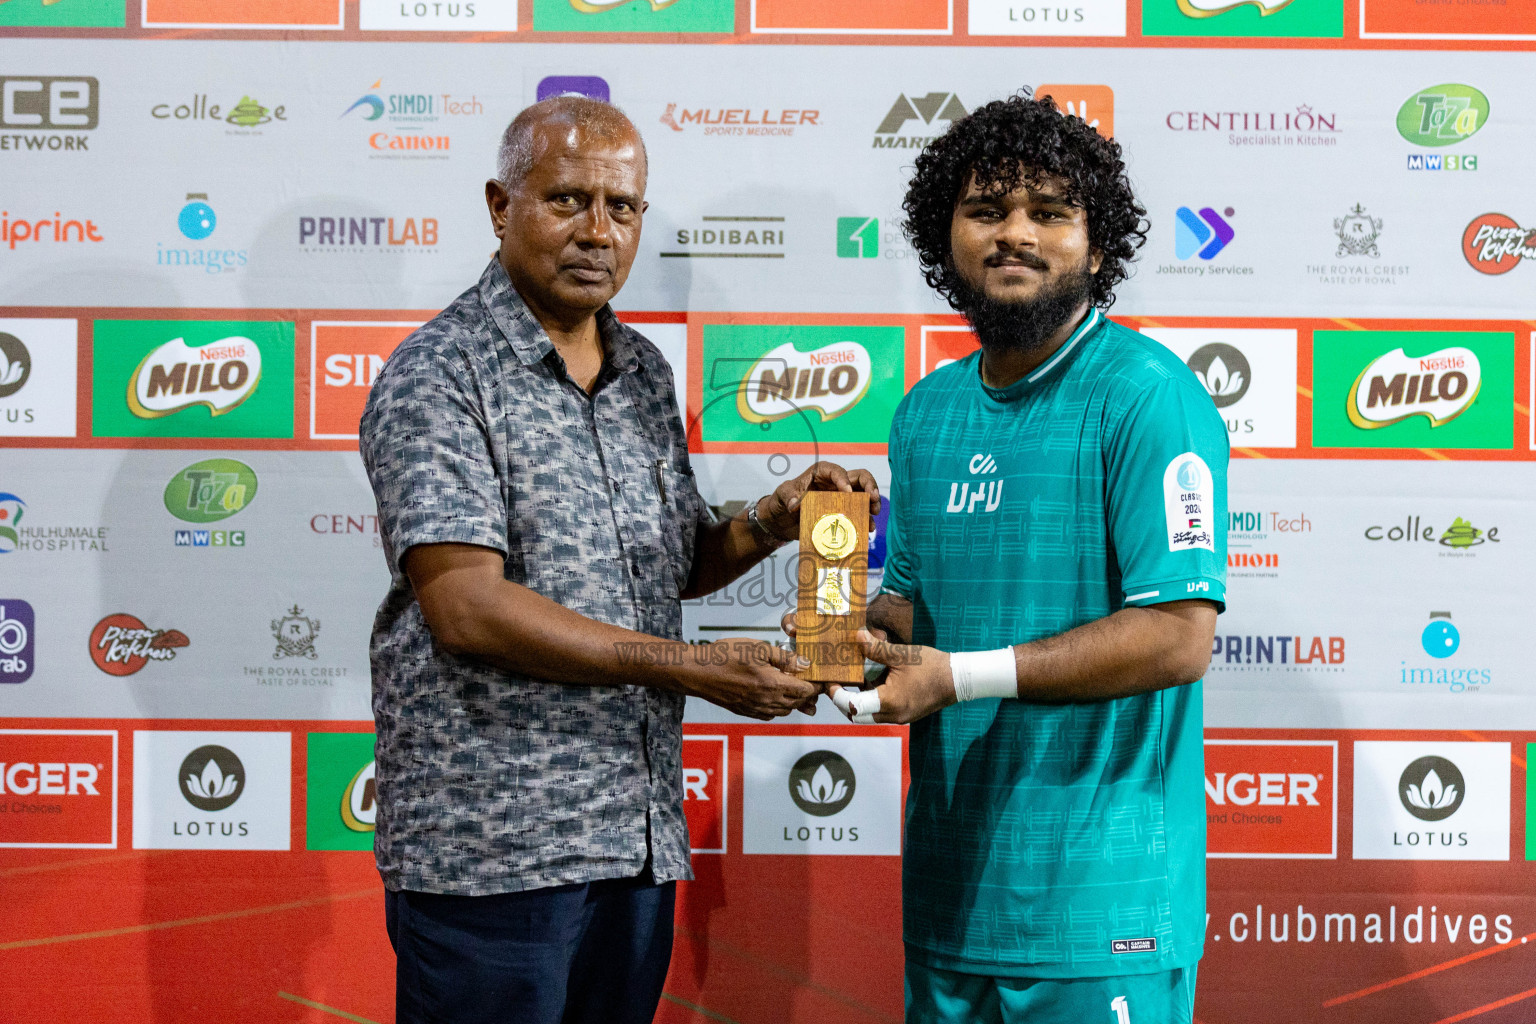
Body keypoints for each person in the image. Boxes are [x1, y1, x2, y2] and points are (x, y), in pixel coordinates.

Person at [359, 96, 876, 1024]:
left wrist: (770, 520)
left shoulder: (641, 370)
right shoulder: (439, 373)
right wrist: (693, 667)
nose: (599, 231)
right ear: (498, 205)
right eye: (567, 200)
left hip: (635, 838)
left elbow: (669, 566)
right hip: (493, 850)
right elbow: (467, 607)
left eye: (624, 207)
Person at [814, 93, 1227, 1022]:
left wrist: (955, 678)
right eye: (986, 210)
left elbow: (1176, 638)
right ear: (942, 234)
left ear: (1097, 241)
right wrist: (835, 631)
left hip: (1101, 909)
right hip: (954, 900)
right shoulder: (926, 411)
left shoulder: (1149, 398)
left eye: (1050, 212)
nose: (1015, 235)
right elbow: (918, 614)